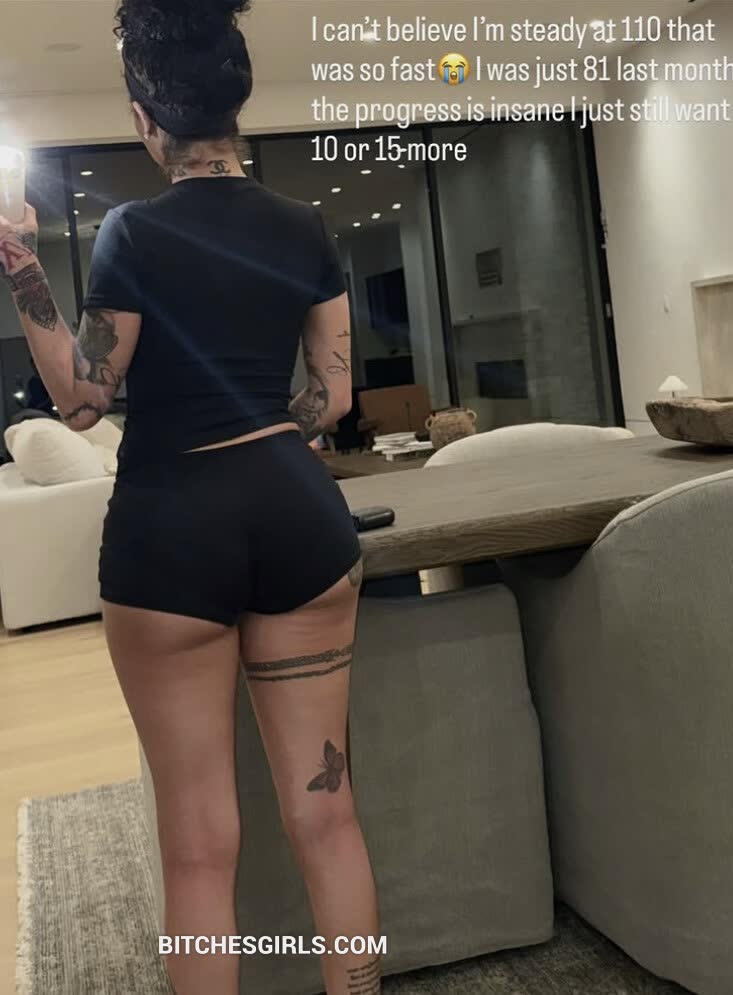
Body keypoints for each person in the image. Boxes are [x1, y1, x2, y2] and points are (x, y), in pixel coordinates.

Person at [0, 1, 381, 993]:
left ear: (145, 119)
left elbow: (83, 398)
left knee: (200, 845)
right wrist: (264, 443)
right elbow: (334, 396)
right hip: (298, 515)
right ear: (235, 105)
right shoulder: (305, 226)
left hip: (172, 529)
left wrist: (22, 261)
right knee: (327, 813)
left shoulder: (131, 231)